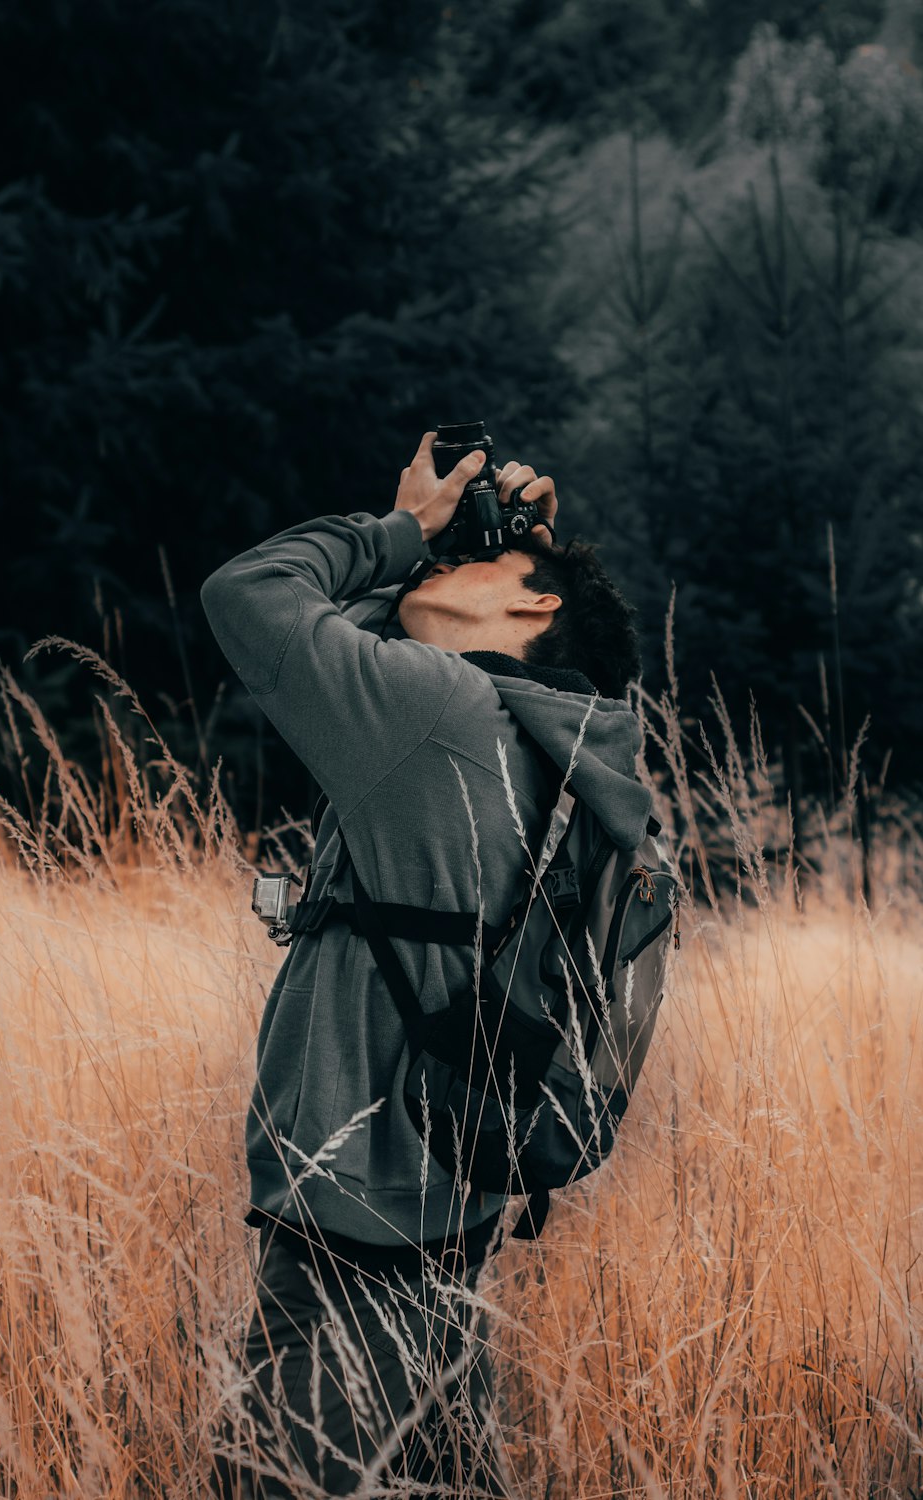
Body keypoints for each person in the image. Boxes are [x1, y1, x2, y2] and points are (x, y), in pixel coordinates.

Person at [201, 432, 652, 1498]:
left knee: (278, 1482)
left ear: (535, 612)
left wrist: (402, 528)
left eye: (474, 566)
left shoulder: (435, 715)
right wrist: (426, 564)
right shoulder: (538, 734)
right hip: (442, 1199)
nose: (442, 566)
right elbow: (343, 644)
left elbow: (251, 597)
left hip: (353, 1205)